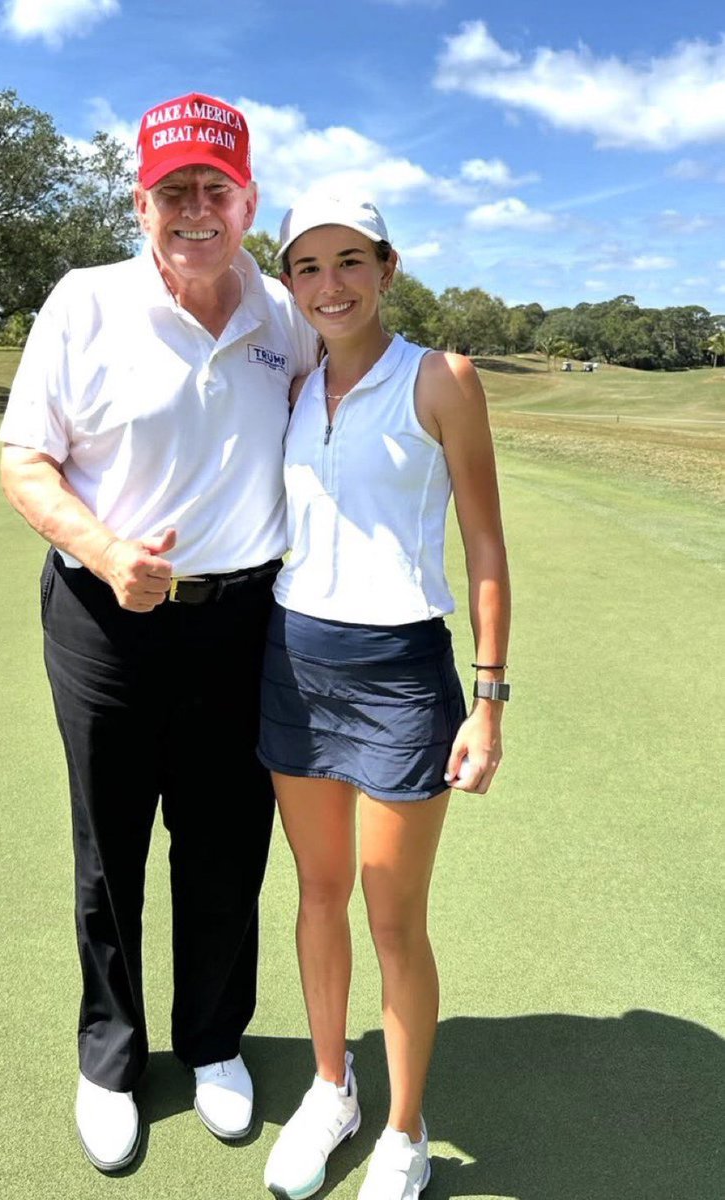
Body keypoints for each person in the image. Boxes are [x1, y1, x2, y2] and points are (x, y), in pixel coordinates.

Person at [0, 92, 315, 1174]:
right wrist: (104, 552)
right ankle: (112, 1057)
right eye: (172, 190)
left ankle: (215, 1043)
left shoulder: (284, 314)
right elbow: (24, 462)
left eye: (213, 190)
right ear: (141, 204)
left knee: (228, 843)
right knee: (111, 844)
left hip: (244, 625)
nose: (194, 209)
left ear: (247, 201)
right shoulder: (83, 303)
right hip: (104, 618)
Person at [258, 195, 511, 1200]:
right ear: (289, 281)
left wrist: (488, 698)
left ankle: (404, 1129)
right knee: (319, 896)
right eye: (308, 267)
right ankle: (334, 1088)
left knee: (393, 917)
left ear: (388, 266)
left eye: (350, 260)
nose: (331, 285)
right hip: (292, 660)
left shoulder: (441, 378)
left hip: (404, 673)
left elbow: (486, 541)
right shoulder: (292, 380)